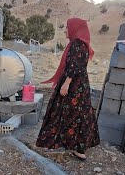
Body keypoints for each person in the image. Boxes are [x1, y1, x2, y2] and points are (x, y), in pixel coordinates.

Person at [36, 18, 100, 160]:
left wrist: (66, 83)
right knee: (80, 114)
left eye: (67, 27)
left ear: (74, 28)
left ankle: (56, 143)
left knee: (61, 111)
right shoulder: (82, 44)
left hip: (73, 85)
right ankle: (79, 149)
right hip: (81, 85)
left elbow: (75, 65)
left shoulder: (76, 43)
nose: (65, 30)